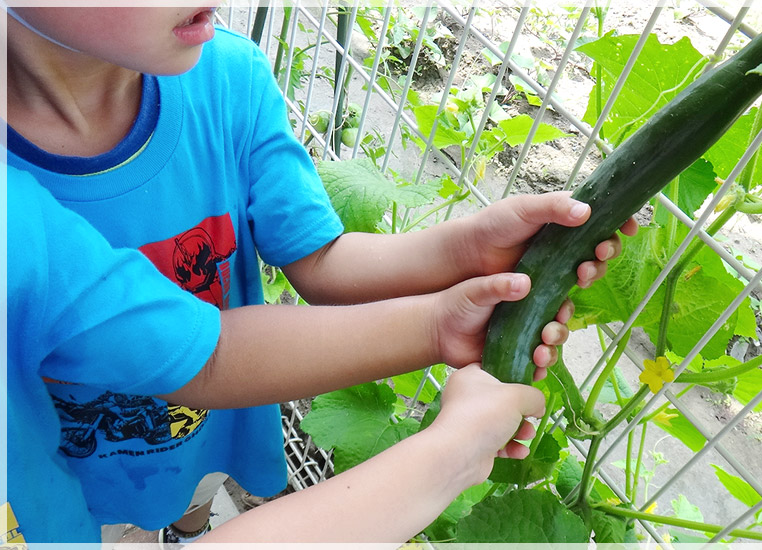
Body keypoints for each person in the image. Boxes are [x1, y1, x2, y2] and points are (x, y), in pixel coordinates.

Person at [3, 5, 638, 543]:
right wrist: (449, 443)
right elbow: (204, 360)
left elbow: (313, 265)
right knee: (110, 522)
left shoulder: (227, 80)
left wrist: (464, 251)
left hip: (208, 427)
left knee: (192, 498)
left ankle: (188, 519)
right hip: (68, 473)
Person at [4, 166, 546, 544]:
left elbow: (206, 358)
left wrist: (438, 321)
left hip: (68, 514)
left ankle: (181, 528)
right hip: (81, 487)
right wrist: (448, 456)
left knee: (192, 491)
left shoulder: (20, 225)